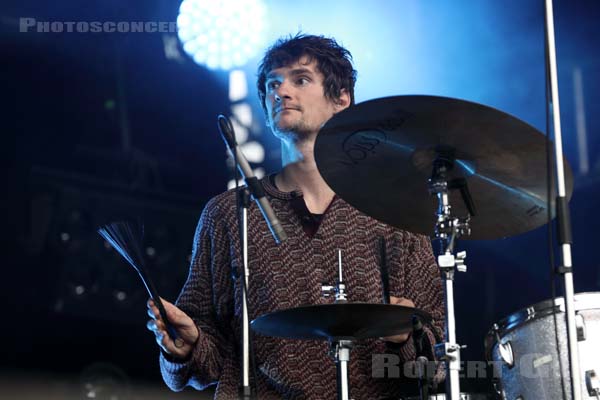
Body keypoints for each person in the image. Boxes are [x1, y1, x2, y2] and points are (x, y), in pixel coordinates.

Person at [146, 33, 445, 399]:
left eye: (300, 79)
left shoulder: (394, 215)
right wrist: (185, 347)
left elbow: (438, 362)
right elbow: (200, 362)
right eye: (274, 83)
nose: (281, 91)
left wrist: (405, 338)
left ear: (342, 100)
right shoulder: (226, 214)